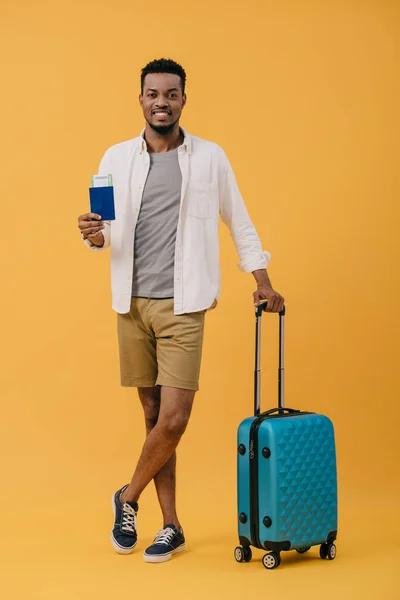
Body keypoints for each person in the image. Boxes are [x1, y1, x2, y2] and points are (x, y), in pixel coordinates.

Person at [77, 58, 284, 563]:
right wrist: (93, 235)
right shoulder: (115, 157)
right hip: (130, 304)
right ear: (141, 99)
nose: (161, 101)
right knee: (152, 417)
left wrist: (262, 279)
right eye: (152, 93)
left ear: (184, 100)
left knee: (173, 418)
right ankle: (170, 526)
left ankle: (126, 497)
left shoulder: (209, 158)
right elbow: (102, 233)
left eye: (171, 93)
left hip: (183, 305)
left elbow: (240, 220)